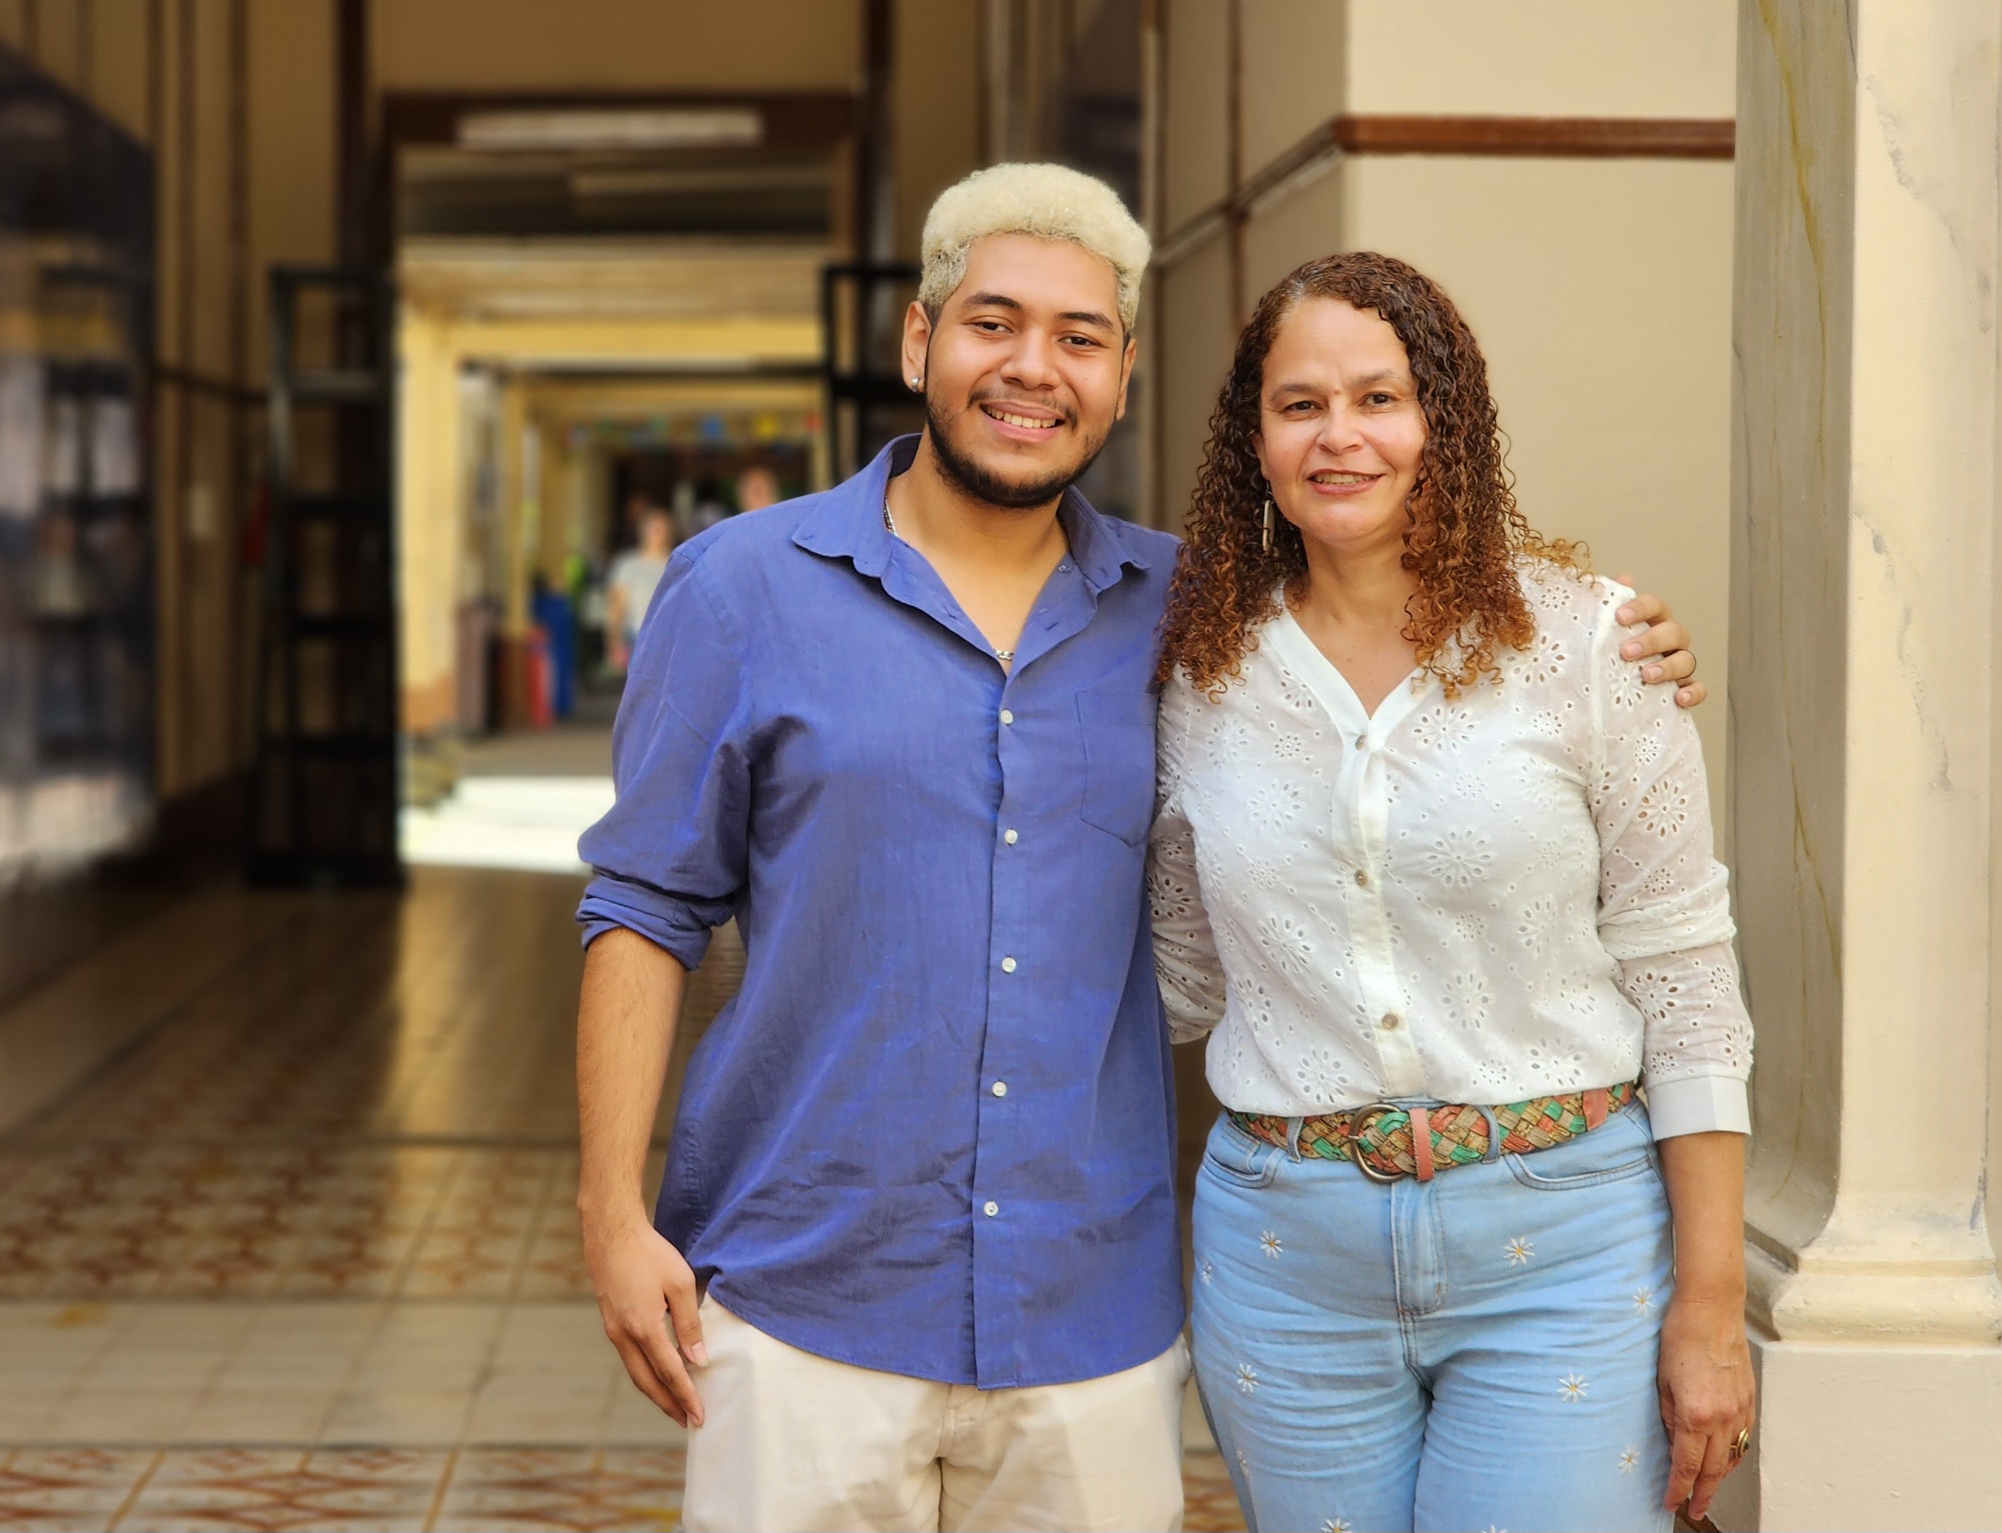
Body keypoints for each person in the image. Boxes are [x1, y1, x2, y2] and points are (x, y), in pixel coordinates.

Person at [574, 167, 1703, 1533]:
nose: (1031, 368)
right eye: (992, 323)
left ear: (1120, 380)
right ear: (919, 342)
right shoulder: (739, 588)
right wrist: (610, 1212)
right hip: (804, 1294)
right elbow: (644, 906)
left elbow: (1386, 675)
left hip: (1089, 1315)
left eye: (1079, 336)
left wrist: (1614, 642)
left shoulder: (1195, 621)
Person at [1148, 252, 1752, 1533]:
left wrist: (1709, 1309)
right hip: (1283, 1254)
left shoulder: (1590, 647)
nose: (1339, 435)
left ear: (1445, 423)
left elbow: (1686, 986)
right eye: (1299, 404)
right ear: (1253, 441)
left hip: (1565, 1244)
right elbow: (1178, 979)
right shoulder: (1197, 676)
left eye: (1379, 397)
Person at [602, 506, 674, 672]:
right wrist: (613, 641)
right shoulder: (627, 564)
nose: (656, 533)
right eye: (652, 527)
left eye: (661, 528)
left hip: (668, 640)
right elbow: (617, 606)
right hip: (635, 638)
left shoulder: (677, 564)